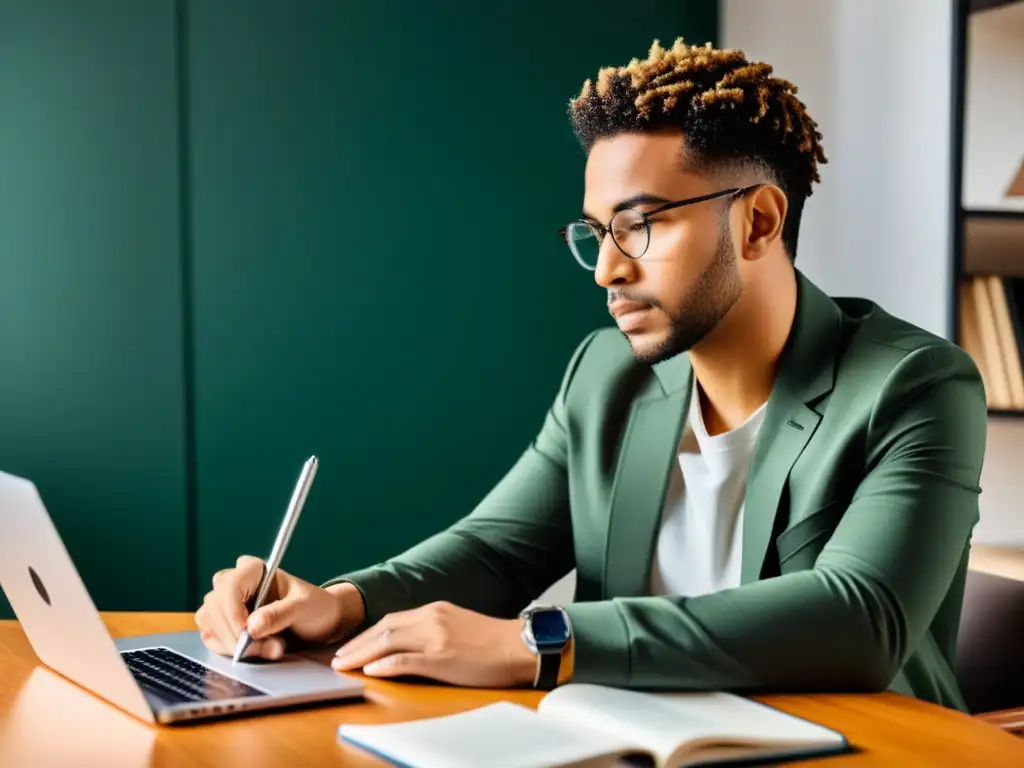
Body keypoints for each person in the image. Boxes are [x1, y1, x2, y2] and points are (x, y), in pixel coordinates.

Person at [194, 38, 987, 711]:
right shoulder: (607, 374)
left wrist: (541, 643)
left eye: (640, 226)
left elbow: (858, 620)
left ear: (758, 221)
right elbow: (496, 553)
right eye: (598, 231)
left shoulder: (915, 386)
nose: (607, 268)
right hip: (626, 743)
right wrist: (338, 604)